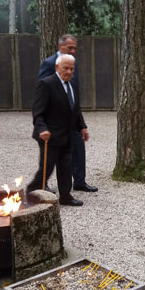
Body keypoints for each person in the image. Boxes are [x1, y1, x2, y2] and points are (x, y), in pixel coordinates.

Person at [38, 34, 97, 193]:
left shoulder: (72, 64)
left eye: (74, 48)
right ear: (60, 46)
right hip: (55, 121)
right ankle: (43, 184)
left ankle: (79, 181)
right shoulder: (49, 64)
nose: (73, 51)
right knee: (51, 154)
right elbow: (43, 92)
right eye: (69, 48)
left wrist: (82, 124)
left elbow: (73, 97)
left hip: (72, 119)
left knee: (78, 149)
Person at [27, 54, 86, 206]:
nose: (69, 72)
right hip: (49, 135)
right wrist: (42, 128)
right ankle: (31, 194)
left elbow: (75, 109)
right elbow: (38, 111)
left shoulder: (73, 86)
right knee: (47, 168)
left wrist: (82, 127)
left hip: (67, 135)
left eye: (72, 69)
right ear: (57, 68)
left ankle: (65, 196)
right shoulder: (46, 84)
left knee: (66, 167)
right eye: (66, 68)